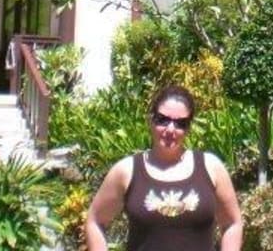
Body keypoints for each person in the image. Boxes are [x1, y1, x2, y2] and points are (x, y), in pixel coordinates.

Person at [85, 85, 243, 251]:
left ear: (188, 128)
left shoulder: (211, 168)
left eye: (180, 123)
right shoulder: (126, 171)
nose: (170, 130)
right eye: (163, 120)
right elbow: (95, 221)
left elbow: (232, 223)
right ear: (151, 119)